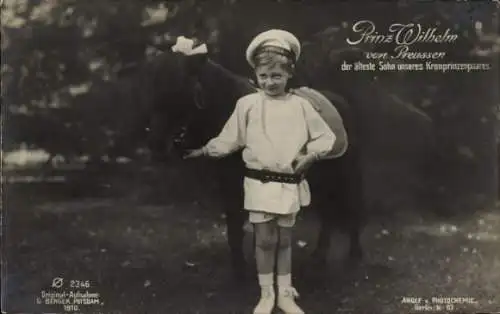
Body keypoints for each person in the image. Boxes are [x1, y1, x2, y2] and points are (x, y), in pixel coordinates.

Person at [184, 29, 336, 314]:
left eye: (277, 76)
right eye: (263, 76)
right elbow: (231, 138)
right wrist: (205, 150)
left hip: (288, 184)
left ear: (289, 74)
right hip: (259, 184)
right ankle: (267, 294)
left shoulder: (301, 107)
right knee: (264, 240)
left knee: (285, 240)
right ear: (255, 75)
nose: (270, 82)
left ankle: (285, 295)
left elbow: (326, 137)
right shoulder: (247, 105)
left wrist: (311, 155)